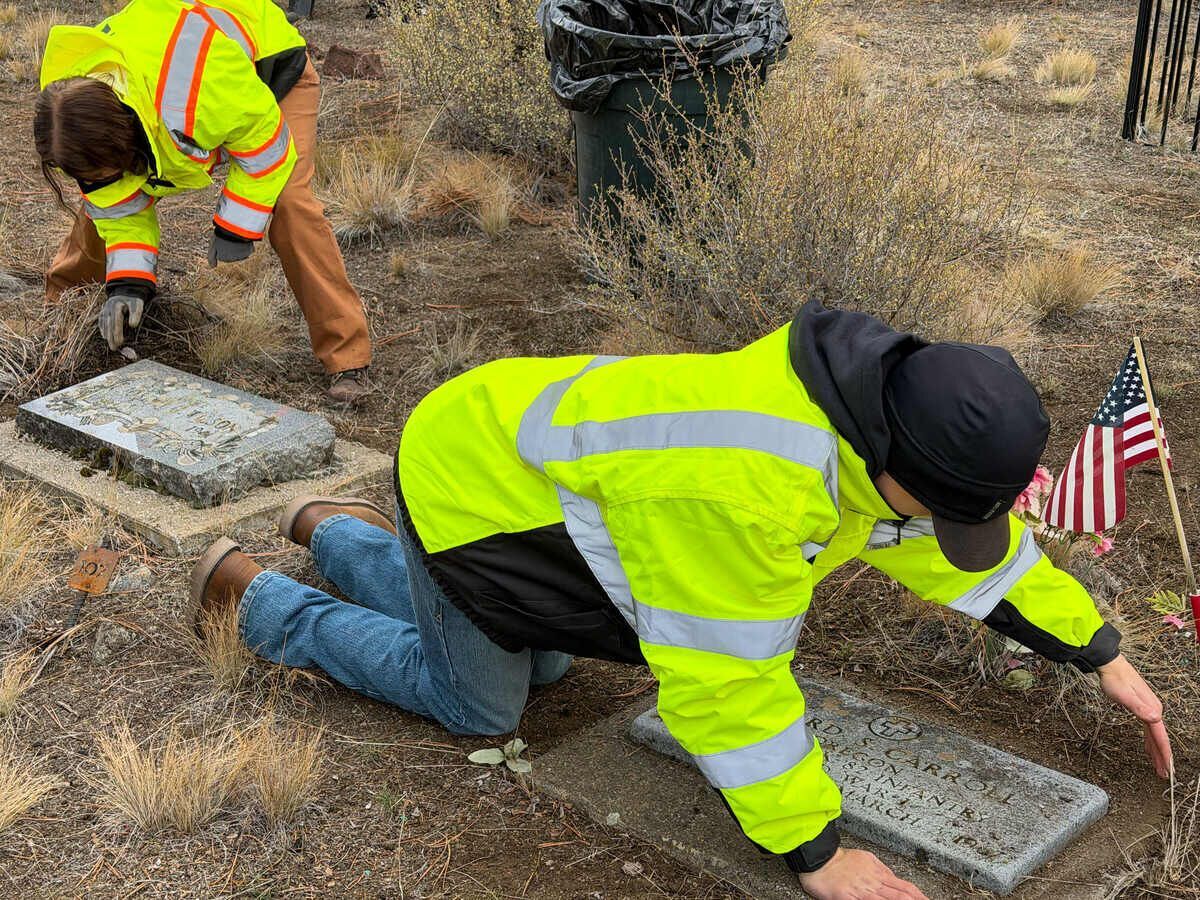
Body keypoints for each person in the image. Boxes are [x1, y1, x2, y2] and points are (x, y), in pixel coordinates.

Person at [189, 300, 1173, 900]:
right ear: (891, 460)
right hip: (478, 501)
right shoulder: (744, 493)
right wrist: (814, 851)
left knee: (554, 664)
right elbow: (726, 687)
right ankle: (262, 600)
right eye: (944, 509)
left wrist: (1100, 653)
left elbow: (955, 555)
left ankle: (336, 530)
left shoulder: (873, 407)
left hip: (518, 463)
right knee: (487, 703)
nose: (939, 529)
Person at [35, 0, 374, 404]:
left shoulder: (195, 89)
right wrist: (128, 285)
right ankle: (62, 316)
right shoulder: (73, 111)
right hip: (185, 100)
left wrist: (236, 224)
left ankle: (346, 355)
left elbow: (266, 148)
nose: (97, 182)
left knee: (290, 207)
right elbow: (119, 206)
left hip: (271, 74)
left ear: (121, 138)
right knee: (97, 216)